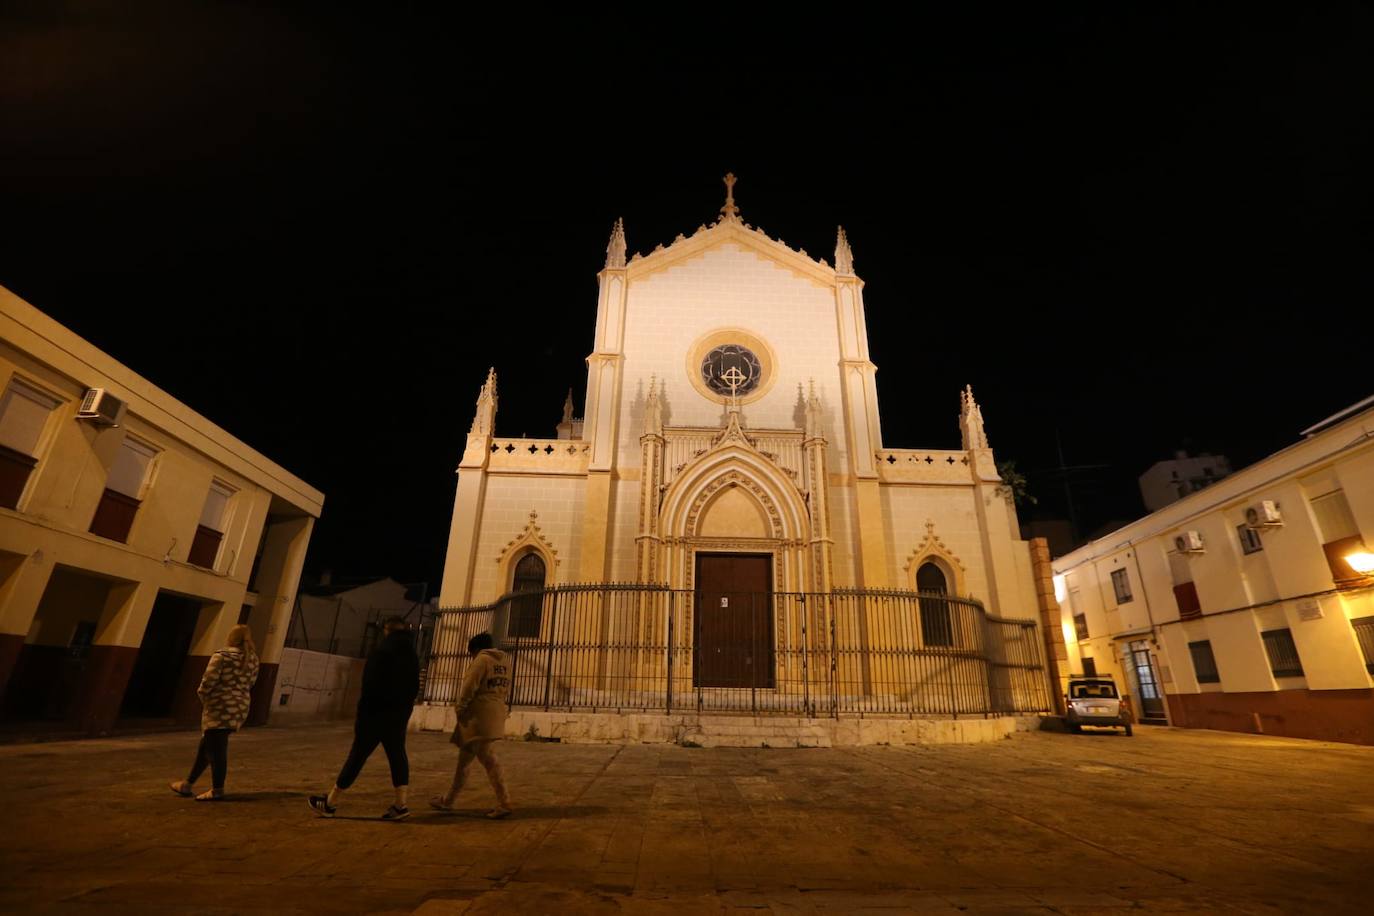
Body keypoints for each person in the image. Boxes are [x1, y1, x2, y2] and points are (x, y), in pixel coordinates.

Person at [309, 616, 419, 820]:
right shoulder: (412, 654)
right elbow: (414, 687)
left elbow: (369, 686)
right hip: (398, 715)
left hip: (374, 714)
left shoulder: (382, 651)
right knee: (397, 756)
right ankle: (401, 804)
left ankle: (331, 802)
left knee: (357, 756)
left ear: (386, 630)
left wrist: (364, 714)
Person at [170, 624, 260, 801]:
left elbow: (208, 681)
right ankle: (187, 784)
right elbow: (251, 683)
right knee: (208, 746)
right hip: (240, 706)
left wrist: (205, 699)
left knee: (217, 749)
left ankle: (218, 789)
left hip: (219, 705)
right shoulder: (253, 659)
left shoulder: (222, 656)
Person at [429, 632, 513, 819]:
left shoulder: (481, 661)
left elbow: (469, 686)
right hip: (495, 711)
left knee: (488, 759)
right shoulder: (504, 662)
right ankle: (449, 800)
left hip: (478, 716)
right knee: (466, 759)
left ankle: (504, 801)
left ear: (475, 649)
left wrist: (460, 708)